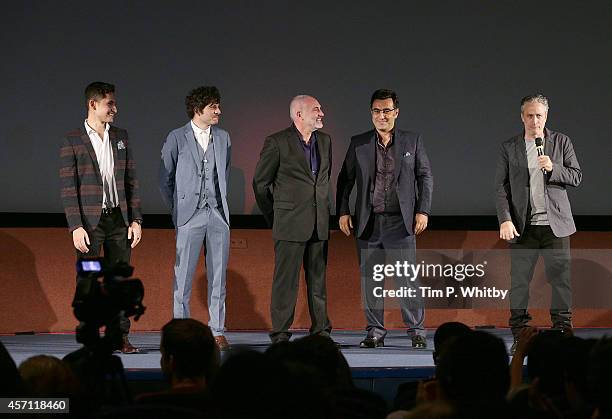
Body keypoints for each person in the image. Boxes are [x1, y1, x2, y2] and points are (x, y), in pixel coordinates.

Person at [336, 89, 433, 349]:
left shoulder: (412, 141)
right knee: (371, 281)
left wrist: (423, 211)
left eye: (387, 111)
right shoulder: (359, 143)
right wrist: (343, 210)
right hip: (369, 222)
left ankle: (416, 330)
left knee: (406, 279)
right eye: (377, 111)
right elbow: (345, 179)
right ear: (371, 114)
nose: (382, 116)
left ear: (396, 113)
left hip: (401, 223)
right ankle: (375, 331)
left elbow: (425, 177)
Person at [495, 94, 582, 354]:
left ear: (546, 117)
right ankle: (521, 333)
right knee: (520, 283)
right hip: (524, 227)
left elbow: (576, 176)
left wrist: (553, 167)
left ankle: (562, 332)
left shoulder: (561, 142)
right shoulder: (509, 147)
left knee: (561, 281)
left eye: (539, 116)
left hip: (556, 226)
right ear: (522, 117)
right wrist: (505, 219)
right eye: (530, 115)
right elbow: (501, 188)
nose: (535, 121)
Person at [59, 81, 143, 354]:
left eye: (114, 103)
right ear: (93, 104)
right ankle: (92, 336)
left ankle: (120, 336)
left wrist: (136, 220)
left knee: (119, 279)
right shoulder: (73, 140)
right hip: (90, 225)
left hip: (118, 222)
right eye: (110, 104)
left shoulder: (121, 136)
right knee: (89, 278)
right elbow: (68, 187)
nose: (115, 109)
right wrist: (75, 227)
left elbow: (131, 181)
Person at [253, 95, 332, 344]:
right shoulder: (277, 142)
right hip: (288, 223)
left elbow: (322, 181)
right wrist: (276, 216)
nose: (321, 113)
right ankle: (280, 334)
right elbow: (260, 184)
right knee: (285, 283)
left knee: (317, 281)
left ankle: (321, 331)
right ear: (299, 114)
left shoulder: (326, 141)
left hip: (318, 222)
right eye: (316, 109)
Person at [159, 86, 232, 350]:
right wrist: (178, 212)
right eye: (213, 106)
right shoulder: (177, 137)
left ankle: (217, 330)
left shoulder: (223, 138)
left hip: (217, 215)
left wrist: (220, 209)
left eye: (218, 105)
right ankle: (181, 330)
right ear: (198, 108)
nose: (218, 111)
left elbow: (222, 172)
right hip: (189, 216)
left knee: (218, 276)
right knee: (183, 277)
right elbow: (165, 179)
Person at [135, 318, 219, 412]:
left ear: (171, 361)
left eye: (162, 354)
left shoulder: (143, 407)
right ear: (213, 360)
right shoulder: (228, 408)